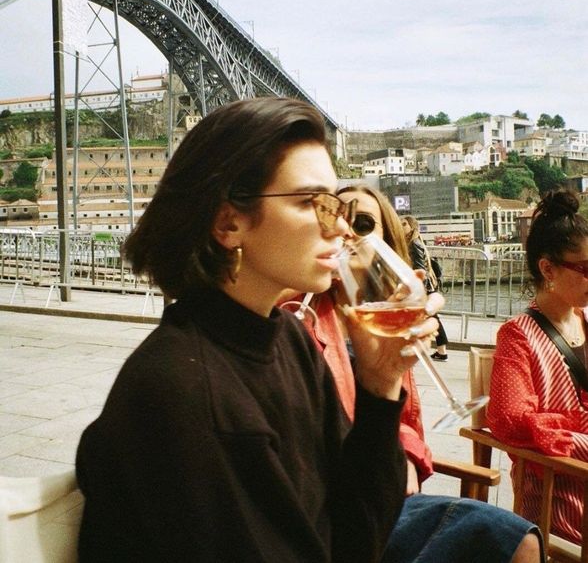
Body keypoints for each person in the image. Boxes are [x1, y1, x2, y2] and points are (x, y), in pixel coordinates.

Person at [75, 97, 443, 563]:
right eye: (312, 202)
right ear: (228, 222)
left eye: (334, 203)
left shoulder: (288, 339)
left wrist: (380, 382)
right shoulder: (184, 393)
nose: (341, 228)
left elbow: (356, 539)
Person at [293, 185, 542, 563]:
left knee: (518, 538)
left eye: (362, 222)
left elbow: (407, 422)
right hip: (330, 495)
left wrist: (406, 456)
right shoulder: (301, 317)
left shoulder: (385, 324)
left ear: (387, 240)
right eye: (336, 216)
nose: (347, 231)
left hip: (382, 487)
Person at [488, 188, 588, 546]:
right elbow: (510, 420)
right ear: (548, 268)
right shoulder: (518, 336)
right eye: (586, 268)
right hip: (557, 500)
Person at [401, 215, 449, 362]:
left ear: (412, 226)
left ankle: (441, 350)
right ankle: (441, 350)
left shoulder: (414, 243)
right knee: (432, 316)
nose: (401, 226)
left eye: (404, 224)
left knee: (432, 316)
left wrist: (419, 288)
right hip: (425, 285)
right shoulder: (415, 241)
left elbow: (420, 268)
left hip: (423, 286)